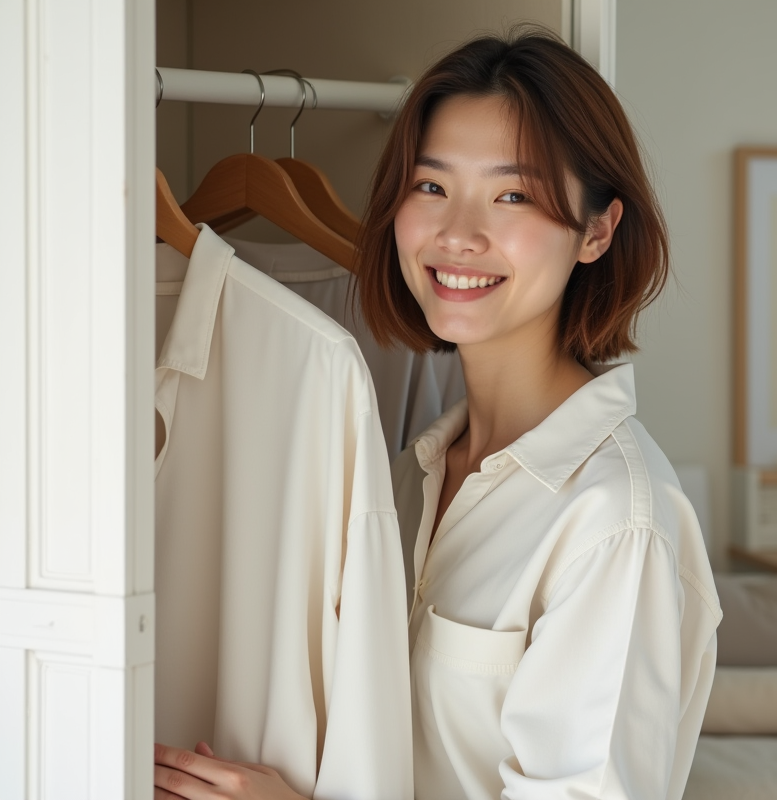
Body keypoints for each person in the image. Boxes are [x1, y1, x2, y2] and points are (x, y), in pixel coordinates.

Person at [154, 27, 720, 800]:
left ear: (597, 231)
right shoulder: (406, 474)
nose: (458, 233)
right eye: (432, 187)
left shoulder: (613, 523)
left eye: (512, 195)